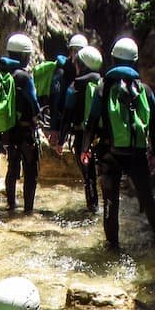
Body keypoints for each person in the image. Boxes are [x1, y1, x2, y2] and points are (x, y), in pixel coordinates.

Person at [81, 36, 155, 249]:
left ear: (113, 59)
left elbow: (91, 121)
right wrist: (154, 152)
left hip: (110, 153)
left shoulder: (103, 87)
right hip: (137, 153)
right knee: (147, 199)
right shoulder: (145, 90)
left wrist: (85, 148)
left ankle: (112, 248)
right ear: (135, 61)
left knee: (111, 203)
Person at [0, 32, 42, 213]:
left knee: (12, 166)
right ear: (25, 56)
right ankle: (28, 210)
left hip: (9, 131)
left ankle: (11, 205)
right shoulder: (24, 77)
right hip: (26, 131)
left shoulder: (1, 75)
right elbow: (33, 103)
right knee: (30, 171)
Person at [57, 45, 103, 212]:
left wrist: (60, 141)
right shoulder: (104, 84)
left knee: (88, 176)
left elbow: (67, 116)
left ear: (81, 65)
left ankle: (92, 208)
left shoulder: (74, 87)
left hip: (81, 136)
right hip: (103, 138)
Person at [47, 33, 88, 145]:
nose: (77, 54)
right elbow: (54, 100)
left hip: (76, 120)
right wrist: (54, 128)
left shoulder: (83, 71)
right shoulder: (61, 72)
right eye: (75, 51)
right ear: (70, 52)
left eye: (80, 51)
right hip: (62, 119)